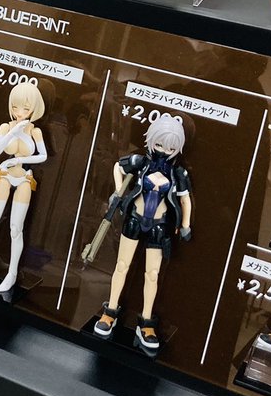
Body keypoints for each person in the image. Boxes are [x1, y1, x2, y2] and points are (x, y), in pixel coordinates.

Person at [81, 114, 193, 357]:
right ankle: (110, 312)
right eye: (160, 144)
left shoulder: (178, 173)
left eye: (170, 147)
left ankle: (146, 322)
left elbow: (185, 200)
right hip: (134, 219)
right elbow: (117, 167)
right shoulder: (140, 162)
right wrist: (117, 192)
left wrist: (185, 224)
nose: (164, 150)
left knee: (152, 275)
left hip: (159, 226)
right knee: (121, 266)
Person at [0, 81, 48, 293]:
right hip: (5, 175)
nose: (19, 112)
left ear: (34, 108)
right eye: (15, 107)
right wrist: (13, 133)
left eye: (25, 108)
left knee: (16, 228)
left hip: (23, 177)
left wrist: (18, 160)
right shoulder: (6, 127)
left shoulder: (35, 131)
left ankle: (12, 273)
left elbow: (42, 156)